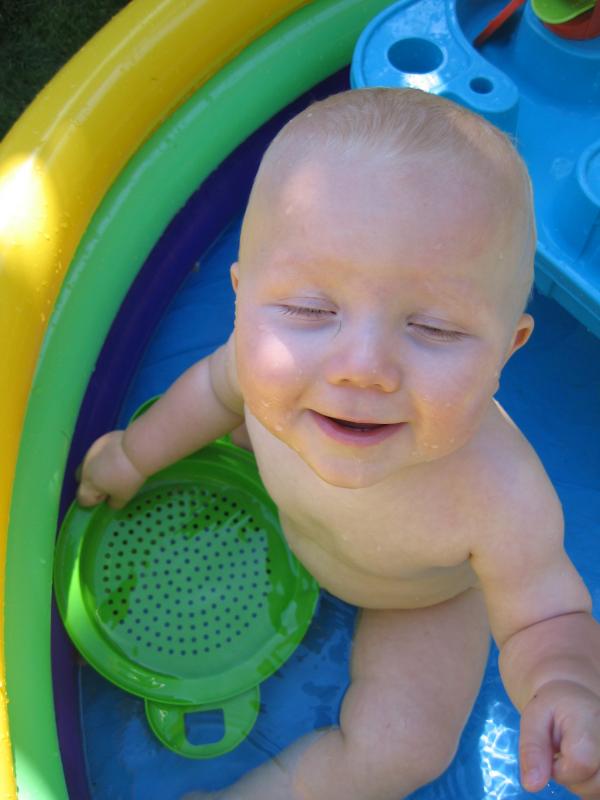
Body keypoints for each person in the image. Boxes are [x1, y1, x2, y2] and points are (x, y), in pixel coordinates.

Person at [77, 88, 600, 800]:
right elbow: (209, 392)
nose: (362, 366)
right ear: (240, 297)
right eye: (310, 309)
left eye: (436, 330)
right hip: (290, 522)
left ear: (508, 351)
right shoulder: (261, 370)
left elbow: (549, 614)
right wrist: (136, 455)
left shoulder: (498, 495)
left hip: (420, 598)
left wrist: (563, 684)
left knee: (402, 747)